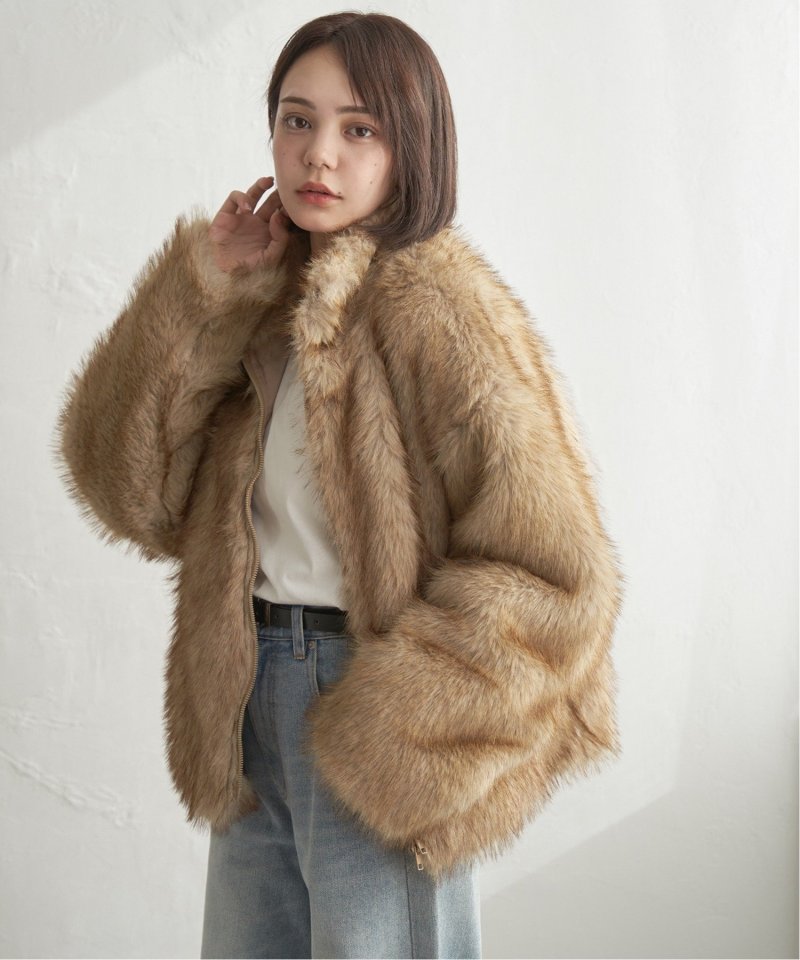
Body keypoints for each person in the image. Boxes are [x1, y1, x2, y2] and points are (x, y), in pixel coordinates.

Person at [56, 11, 624, 960]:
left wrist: (400, 733)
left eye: (360, 128)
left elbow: (558, 577)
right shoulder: (266, 299)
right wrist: (205, 296)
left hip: (371, 704)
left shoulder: (436, 308)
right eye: (297, 120)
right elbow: (130, 492)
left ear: (414, 148)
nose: (318, 153)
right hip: (248, 697)